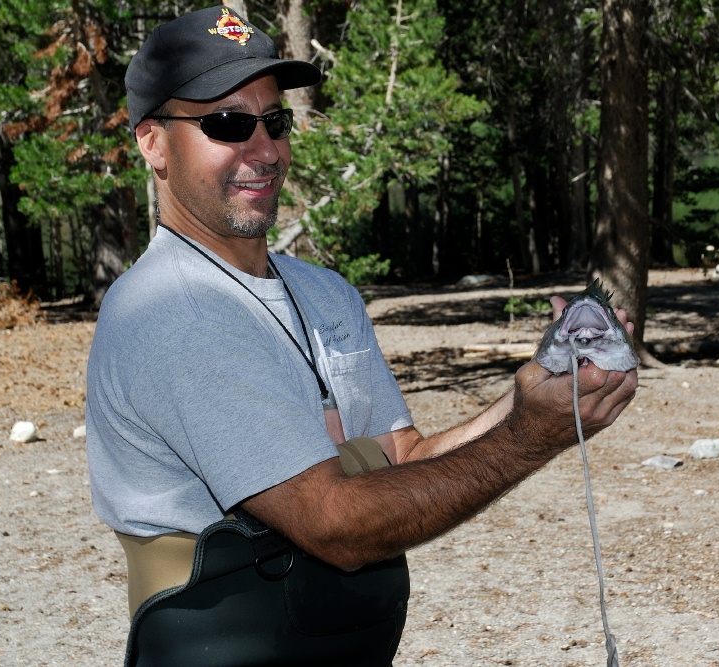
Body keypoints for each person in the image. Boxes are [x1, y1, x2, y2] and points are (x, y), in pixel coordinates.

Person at [86, 6, 638, 666]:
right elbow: (336, 523)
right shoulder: (167, 312)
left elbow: (405, 458)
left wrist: (538, 400)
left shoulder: (324, 294)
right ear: (152, 143)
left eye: (275, 120)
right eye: (227, 123)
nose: (263, 149)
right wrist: (530, 438)